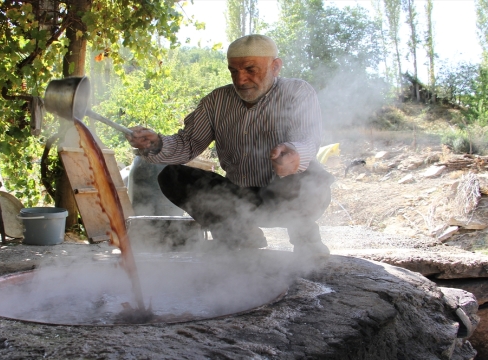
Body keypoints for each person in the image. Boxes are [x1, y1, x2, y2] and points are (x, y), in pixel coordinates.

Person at [125, 34, 335, 256]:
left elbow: (307, 140)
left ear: (275, 67)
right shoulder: (216, 101)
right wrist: (156, 144)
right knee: (171, 176)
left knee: (306, 175)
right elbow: (188, 145)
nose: (240, 80)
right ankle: (239, 236)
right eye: (233, 71)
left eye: (250, 69)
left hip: (288, 197)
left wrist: (294, 155)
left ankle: (307, 241)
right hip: (241, 200)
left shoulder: (297, 92)